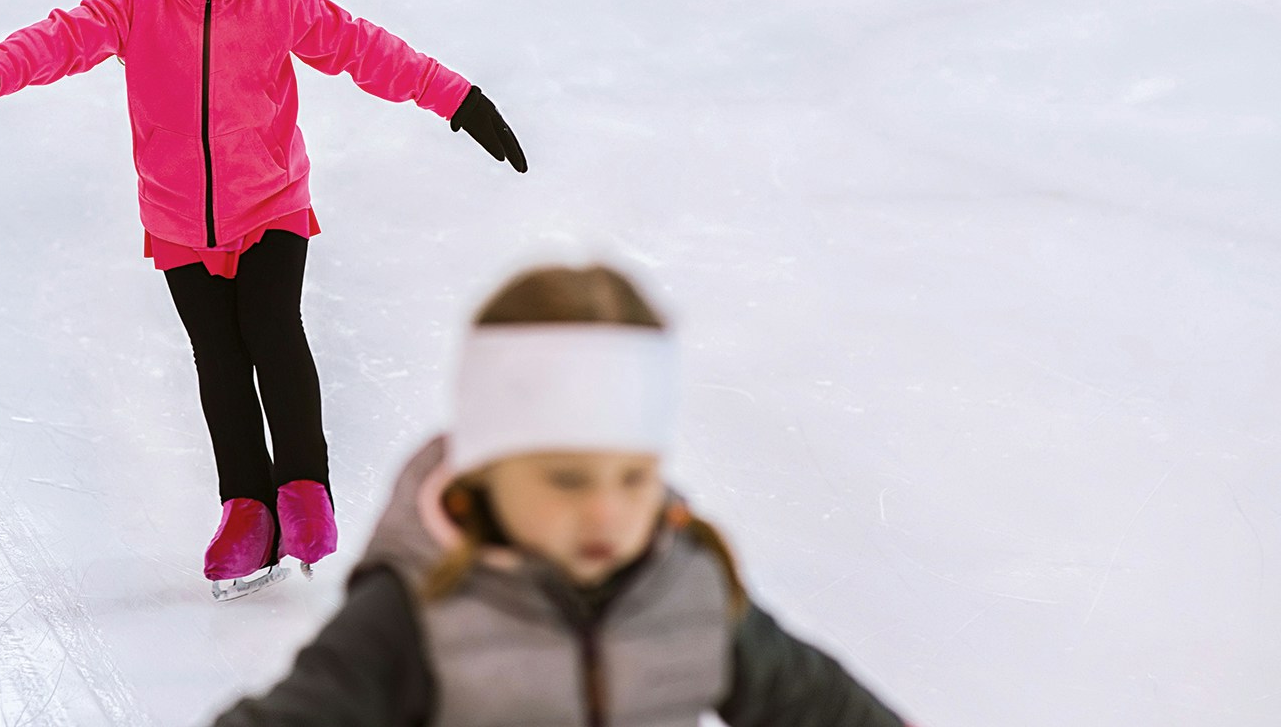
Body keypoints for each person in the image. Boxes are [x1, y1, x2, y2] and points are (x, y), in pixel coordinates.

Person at [0, 0, 527, 590]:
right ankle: (246, 510)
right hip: (177, 221)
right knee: (219, 361)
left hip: (270, 204)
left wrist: (459, 99)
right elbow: (57, 40)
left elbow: (369, 50)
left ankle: (303, 490)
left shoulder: (282, 1)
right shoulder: (131, 3)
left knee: (272, 331)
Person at [211, 264, 912, 726]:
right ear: (487, 469)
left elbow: (820, 707)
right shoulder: (417, 609)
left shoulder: (686, 587)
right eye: (566, 480)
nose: (607, 511)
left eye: (634, 478)